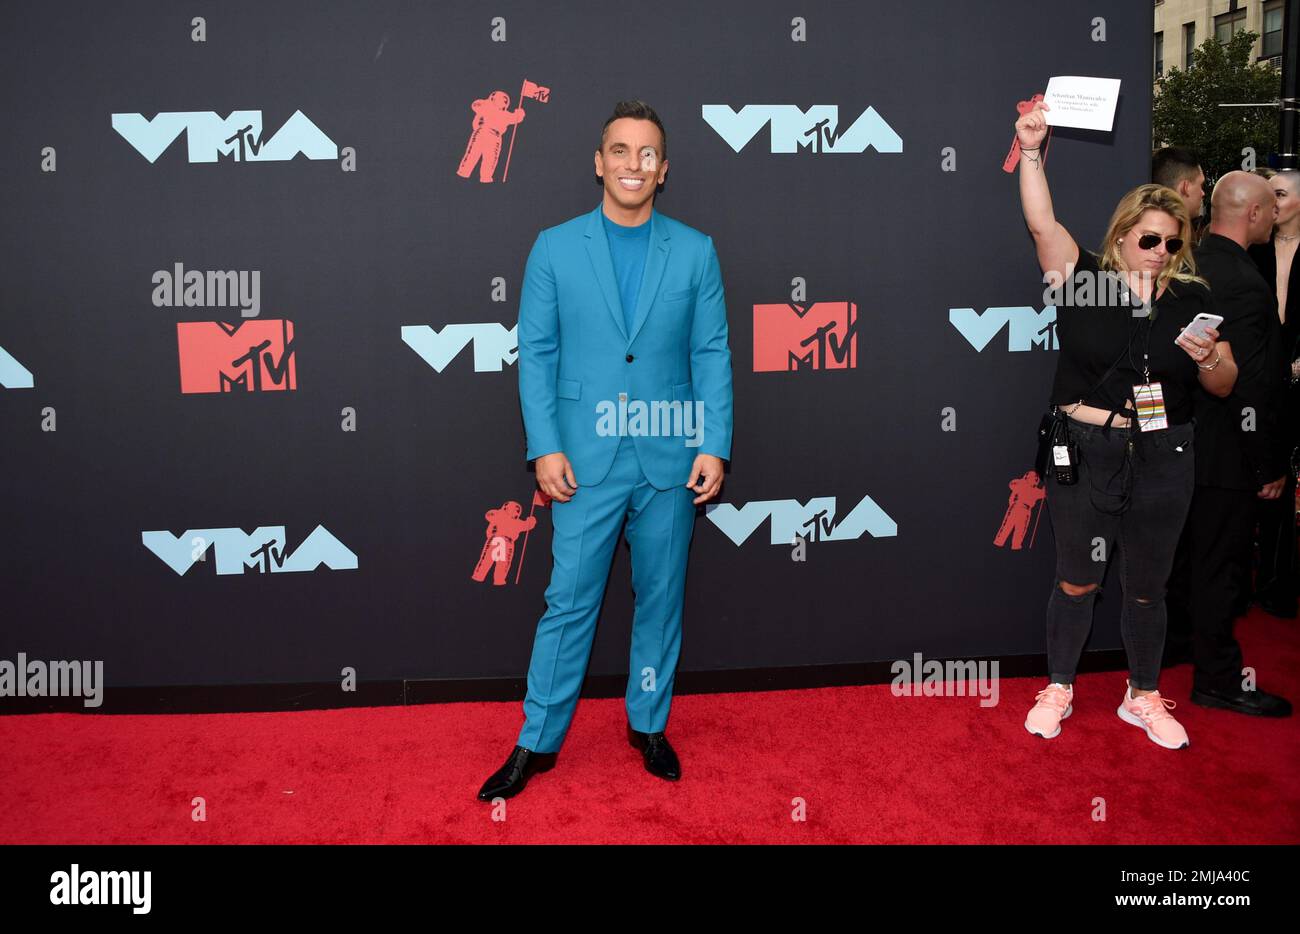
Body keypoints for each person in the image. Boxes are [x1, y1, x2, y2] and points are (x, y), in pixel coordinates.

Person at [477, 101, 734, 801]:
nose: (632, 164)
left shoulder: (695, 250)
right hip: (584, 461)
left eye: (646, 154)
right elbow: (536, 354)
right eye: (619, 151)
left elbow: (710, 351)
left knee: (660, 601)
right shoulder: (554, 247)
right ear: (599, 162)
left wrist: (714, 443)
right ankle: (536, 741)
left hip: (669, 459)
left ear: (664, 170)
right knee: (568, 603)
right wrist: (544, 448)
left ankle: (648, 725)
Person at [1015, 100, 1236, 749]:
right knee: (1078, 577)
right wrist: (1031, 151)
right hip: (1087, 450)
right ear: (1120, 238)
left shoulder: (1193, 297)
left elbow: (1224, 384)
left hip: (1167, 453)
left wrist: (1212, 356)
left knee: (1148, 586)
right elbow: (1040, 223)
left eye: (1173, 241)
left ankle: (1142, 694)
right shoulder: (1084, 279)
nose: (1162, 250)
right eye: (1150, 239)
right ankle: (1059, 685)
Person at [1166, 172, 1292, 718]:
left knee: (1186, 556)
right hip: (1227, 452)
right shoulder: (1244, 280)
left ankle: (1177, 648)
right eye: (1273, 209)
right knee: (1222, 566)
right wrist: (1269, 460)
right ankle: (1218, 679)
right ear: (1256, 215)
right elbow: (1255, 384)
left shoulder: (1186, 263)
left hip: (1181, 443)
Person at [1248, 169, 1300, 618]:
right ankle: (1252, 579)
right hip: (1259, 381)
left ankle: (1280, 582)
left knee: (1285, 481)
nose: (1273, 200)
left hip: (1297, 382)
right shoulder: (1254, 252)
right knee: (1259, 473)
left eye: (1280, 193)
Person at [1152, 146, 1207, 243]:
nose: (1203, 193)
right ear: (1185, 187)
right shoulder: (1181, 241)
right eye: (1200, 185)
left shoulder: (1143, 230)